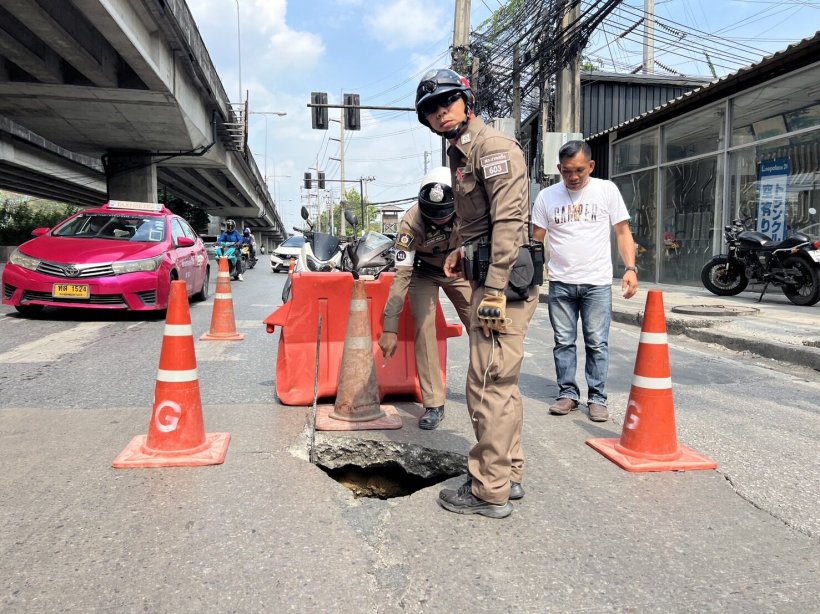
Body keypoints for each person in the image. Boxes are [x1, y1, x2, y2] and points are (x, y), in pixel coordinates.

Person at [417, 68, 538, 519]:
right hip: (486, 271)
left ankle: (490, 490)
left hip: (501, 282)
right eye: (430, 109)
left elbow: (508, 224)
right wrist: (456, 252)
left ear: (466, 101)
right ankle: (510, 473)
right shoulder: (462, 152)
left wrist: (494, 292)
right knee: (500, 383)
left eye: (446, 102)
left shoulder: (493, 149)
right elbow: (476, 223)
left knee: (486, 384)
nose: (440, 112)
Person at [531, 140, 638, 423]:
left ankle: (597, 398)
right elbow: (535, 241)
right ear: (559, 169)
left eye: (579, 170)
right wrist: (528, 277)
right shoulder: (546, 197)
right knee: (563, 342)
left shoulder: (606, 191)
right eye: (567, 171)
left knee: (597, 343)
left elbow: (623, 232)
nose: (574, 177)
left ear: (591, 165)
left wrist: (630, 268)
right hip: (561, 282)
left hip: (597, 283)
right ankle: (567, 394)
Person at [378, 167, 472, 430]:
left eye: (445, 217)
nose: (440, 222)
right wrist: (390, 327)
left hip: (459, 269)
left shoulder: (469, 210)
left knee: (480, 324)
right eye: (434, 217)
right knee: (424, 328)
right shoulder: (410, 224)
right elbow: (401, 277)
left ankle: (487, 387)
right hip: (423, 272)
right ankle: (433, 403)